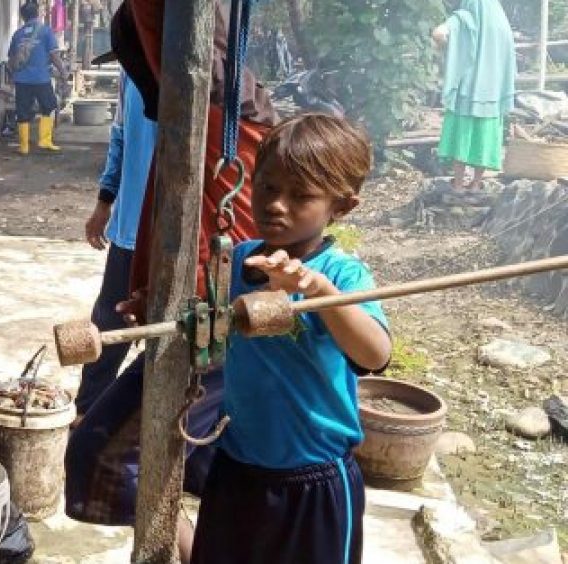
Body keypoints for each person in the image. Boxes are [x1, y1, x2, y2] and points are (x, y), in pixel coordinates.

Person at [63, 0, 279, 559]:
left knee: (100, 453)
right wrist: (146, 289)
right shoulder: (187, 122)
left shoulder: (222, 119)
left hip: (218, 334)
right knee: (200, 467)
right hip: (195, 322)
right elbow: (167, 208)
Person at [191, 114, 392, 564]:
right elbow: (208, 319)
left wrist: (318, 292)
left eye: (300, 195)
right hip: (238, 467)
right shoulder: (240, 259)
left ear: (342, 207)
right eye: (267, 187)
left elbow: (375, 355)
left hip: (314, 481)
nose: (277, 205)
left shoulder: (341, 274)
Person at [77, 71, 157, 414]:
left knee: (169, 337)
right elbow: (121, 139)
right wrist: (103, 203)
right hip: (130, 230)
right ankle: (85, 417)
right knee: (109, 330)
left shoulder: (212, 73)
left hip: (185, 239)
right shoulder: (131, 75)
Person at [433, 0, 516, 190]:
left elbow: (438, 33)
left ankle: (459, 183)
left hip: (467, 90)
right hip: (493, 93)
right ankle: (476, 184)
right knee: (485, 138)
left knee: (462, 134)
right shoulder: (502, 24)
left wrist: (451, 49)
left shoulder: (464, 17)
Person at [8, 1, 68, 155]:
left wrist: (13, 75)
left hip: (21, 79)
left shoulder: (17, 34)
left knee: (22, 111)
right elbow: (54, 55)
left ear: (23, 17)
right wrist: (62, 71)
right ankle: (44, 141)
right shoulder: (46, 31)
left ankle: (24, 146)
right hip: (41, 78)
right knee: (48, 106)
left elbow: (11, 59)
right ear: (38, 13)